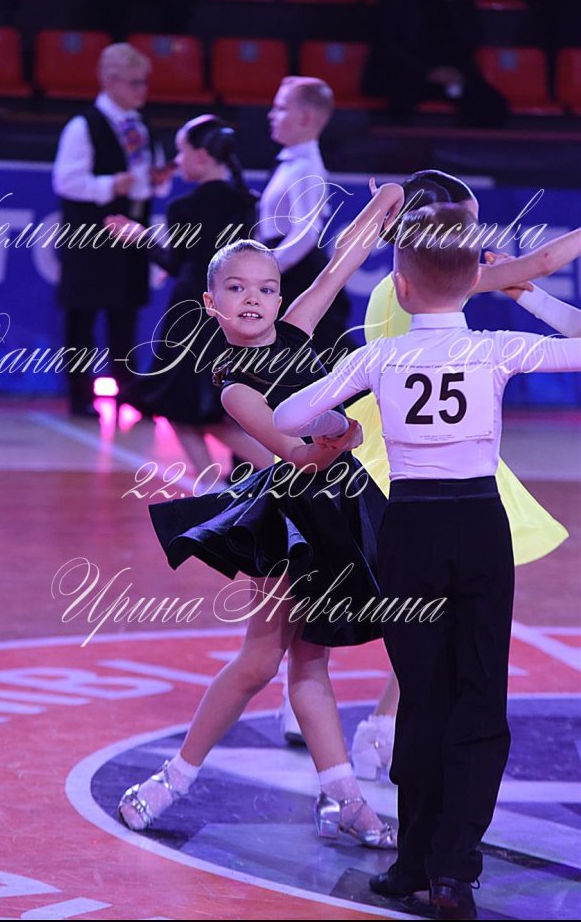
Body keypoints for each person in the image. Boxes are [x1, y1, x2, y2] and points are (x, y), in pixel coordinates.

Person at [273, 204, 581, 919]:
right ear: (473, 280)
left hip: (408, 528)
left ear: (402, 288)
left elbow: (288, 416)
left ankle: (412, 861)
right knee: (479, 693)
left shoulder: (377, 357)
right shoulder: (496, 348)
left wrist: (338, 428)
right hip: (479, 526)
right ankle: (452, 872)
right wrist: (532, 296)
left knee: (420, 693)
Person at [117, 182, 406, 848]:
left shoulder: (298, 330)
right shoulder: (234, 384)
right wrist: (338, 438)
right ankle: (173, 779)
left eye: (266, 288)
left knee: (311, 667)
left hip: (342, 508)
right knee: (259, 660)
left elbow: (338, 266)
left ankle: (344, 800)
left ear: (280, 297)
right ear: (211, 303)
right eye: (238, 288)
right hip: (293, 518)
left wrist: (383, 203)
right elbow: (296, 454)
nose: (254, 298)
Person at [347, 170, 579, 779]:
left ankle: (372, 726)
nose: (470, 241)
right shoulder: (443, 278)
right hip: (422, 455)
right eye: (463, 226)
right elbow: (545, 260)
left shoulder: (398, 283)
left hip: (391, 440)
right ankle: (381, 733)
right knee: (438, 607)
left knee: (420, 607)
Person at [105, 114, 272, 475]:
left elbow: (178, 263)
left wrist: (141, 238)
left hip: (192, 318)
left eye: (182, 151)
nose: (177, 161)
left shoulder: (186, 207)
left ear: (203, 155)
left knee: (198, 413)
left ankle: (293, 472)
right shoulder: (244, 202)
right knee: (191, 411)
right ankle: (218, 490)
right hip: (232, 316)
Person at [52, 42, 170, 419]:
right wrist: (108, 185)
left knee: (126, 314)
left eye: (145, 82)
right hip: (91, 235)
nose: (142, 90)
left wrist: (156, 181)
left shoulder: (142, 126)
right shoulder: (83, 126)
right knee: (82, 316)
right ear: (110, 81)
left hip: (132, 232)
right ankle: (80, 395)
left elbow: (150, 180)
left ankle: (128, 392)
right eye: (135, 83)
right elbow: (66, 180)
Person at [363, 0, 508, 126]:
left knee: (493, 106)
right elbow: (387, 43)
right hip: (405, 71)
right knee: (400, 100)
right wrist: (427, 73)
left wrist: (452, 4)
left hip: (448, 74)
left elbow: (471, 41)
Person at [257, 76, 355, 361]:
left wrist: (266, 271)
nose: (271, 115)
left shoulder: (305, 168)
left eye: (281, 108)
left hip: (297, 275)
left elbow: (307, 232)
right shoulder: (292, 163)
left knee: (313, 357)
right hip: (288, 269)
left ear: (305, 117)